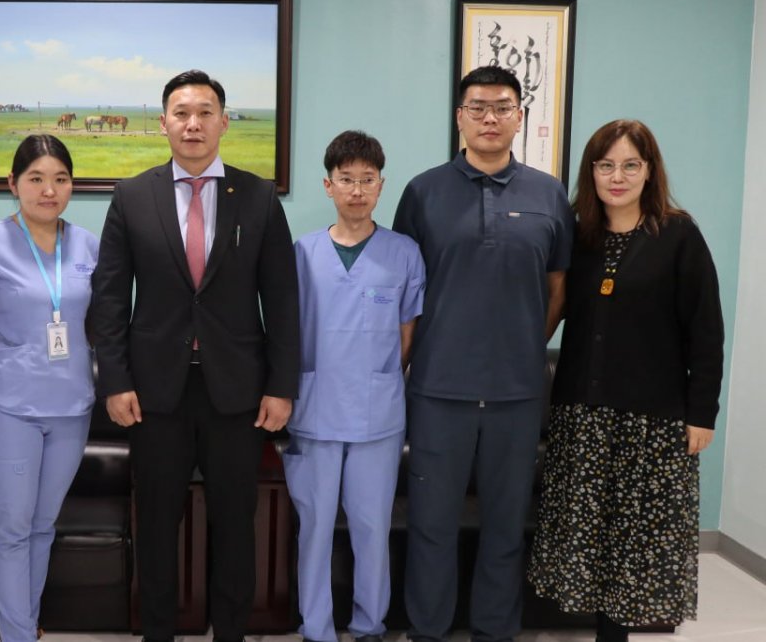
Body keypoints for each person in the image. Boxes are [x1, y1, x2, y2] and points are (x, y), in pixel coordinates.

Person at [89, 69, 300, 642]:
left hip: (238, 393)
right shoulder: (133, 197)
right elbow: (110, 299)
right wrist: (115, 381)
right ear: (163, 123)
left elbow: (282, 300)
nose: (193, 124)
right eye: (181, 113)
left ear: (224, 123)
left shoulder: (258, 197)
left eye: (205, 112)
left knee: (235, 525)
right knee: (158, 526)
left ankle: (230, 633)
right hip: (154, 393)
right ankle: (159, 633)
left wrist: (282, 386)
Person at [392, 65, 574, 642]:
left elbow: (558, 290)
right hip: (437, 390)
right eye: (477, 107)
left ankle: (495, 631)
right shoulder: (422, 192)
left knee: (505, 528)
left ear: (519, 117)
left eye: (501, 107)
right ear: (459, 117)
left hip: (517, 395)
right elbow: (404, 290)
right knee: (431, 526)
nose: (489, 118)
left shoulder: (549, 194)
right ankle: (428, 630)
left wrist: (522, 342)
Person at [528, 119, 723, 642]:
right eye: (606, 165)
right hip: (582, 416)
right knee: (589, 542)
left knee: (634, 544)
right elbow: (549, 306)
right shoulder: (577, 235)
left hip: (651, 420)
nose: (617, 177)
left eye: (630, 165)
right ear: (590, 172)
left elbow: (706, 331)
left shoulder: (678, 235)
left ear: (649, 171)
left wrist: (702, 413)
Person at [284, 130, 425, 642]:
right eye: (347, 179)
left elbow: (407, 336)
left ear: (381, 185)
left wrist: (375, 378)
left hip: (376, 415)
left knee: (371, 528)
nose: (357, 190)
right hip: (315, 411)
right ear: (328, 185)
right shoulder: (302, 253)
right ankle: (316, 628)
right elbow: (287, 332)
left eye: (368, 180)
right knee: (315, 528)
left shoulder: (403, 253)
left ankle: (369, 625)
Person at [0, 135, 98, 642]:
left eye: (60, 179)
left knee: (42, 526)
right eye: (36, 178)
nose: (49, 190)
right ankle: (17, 635)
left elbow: (98, 328)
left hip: (71, 408)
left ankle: (24, 626)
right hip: (7, 408)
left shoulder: (89, 246)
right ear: (13, 183)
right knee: (11, 529)